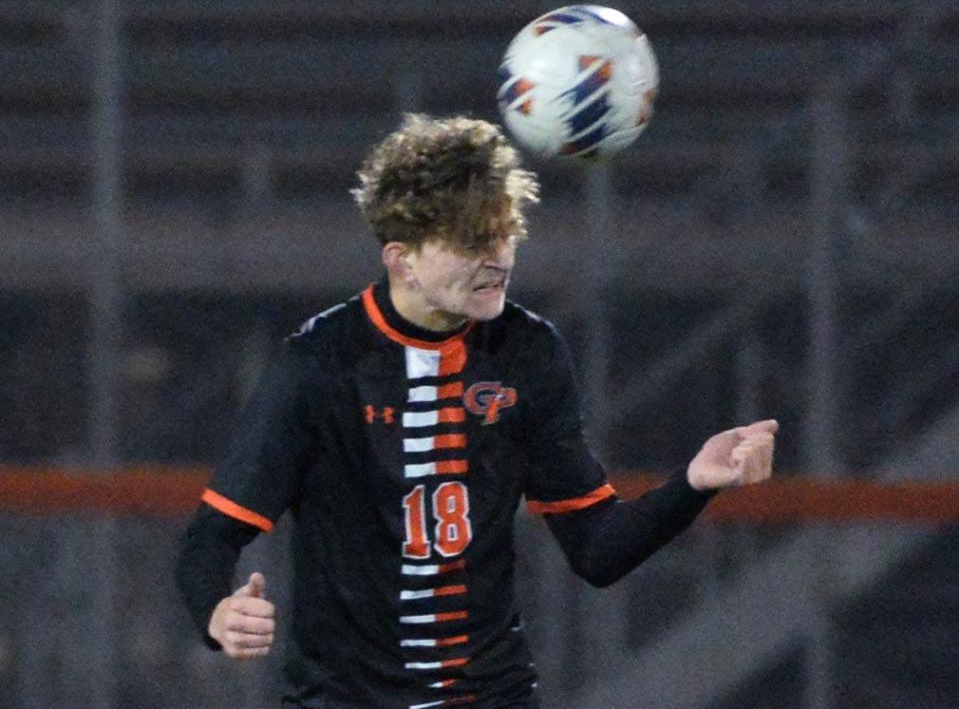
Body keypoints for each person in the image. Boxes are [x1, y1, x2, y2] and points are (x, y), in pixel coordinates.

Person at [176, 114, 777, 709]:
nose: (499, 258)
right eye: (471, 243)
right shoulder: (320, 364)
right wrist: (218, 613)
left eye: (505, 233)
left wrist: (694, 483)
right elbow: (210, 539)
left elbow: (597, 550)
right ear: (400, 258)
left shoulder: (529, 352)